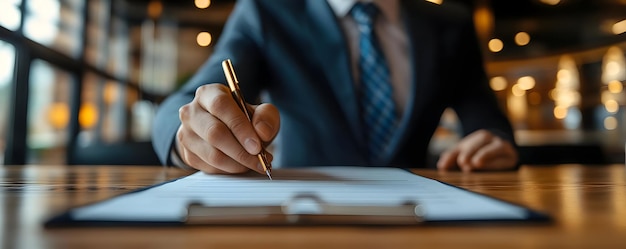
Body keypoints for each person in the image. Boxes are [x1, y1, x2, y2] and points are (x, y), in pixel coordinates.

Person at [151, 0, 519, 175]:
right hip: (305, 217)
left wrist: (493, 141)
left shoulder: (450, 25)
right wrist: (189, 136)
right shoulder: (267, 12)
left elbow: (488, 122)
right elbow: (185, 104)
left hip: (421, 221)